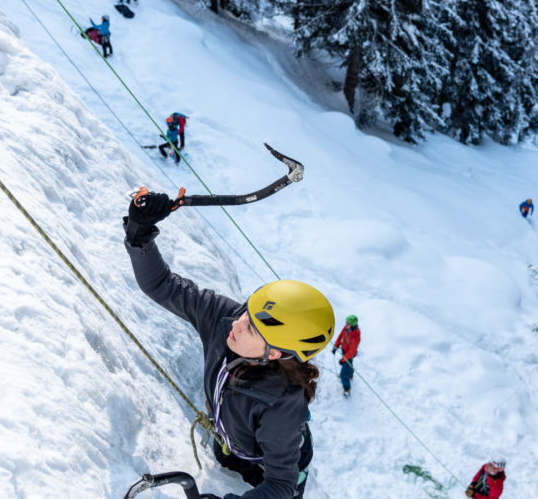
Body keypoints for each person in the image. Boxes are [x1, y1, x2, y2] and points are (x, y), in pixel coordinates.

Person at [123, 190, 336, 499]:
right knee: (226, 458)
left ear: (274, 353)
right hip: (231, 442)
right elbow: (162, 285)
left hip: (273, 462)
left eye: (250, 327)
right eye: (246, 313)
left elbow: (279, 486)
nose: (235, 324)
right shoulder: (226, 318)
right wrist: (140, 235)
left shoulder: (282, 407)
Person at [332, 314, 361, 398]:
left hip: (349, 354)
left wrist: (343, 360)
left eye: (348, 324)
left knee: (343, 375)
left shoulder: (355, 336)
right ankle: (351, 374)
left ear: (352, 326)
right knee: (349, 364)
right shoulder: (346, 329)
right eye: (346, 322)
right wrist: (336, 346)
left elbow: (352, 352)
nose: (346, 325)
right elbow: (340, 336)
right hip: (344, 351)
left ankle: (347, 389)